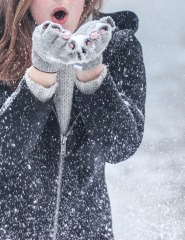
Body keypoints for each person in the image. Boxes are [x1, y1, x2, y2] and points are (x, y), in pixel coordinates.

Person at [0, 0, 146, 239]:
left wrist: (92, 71)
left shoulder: (119, 45)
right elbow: (5, 151)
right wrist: (42, 72)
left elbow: (120, 145)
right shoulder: (3, 45)